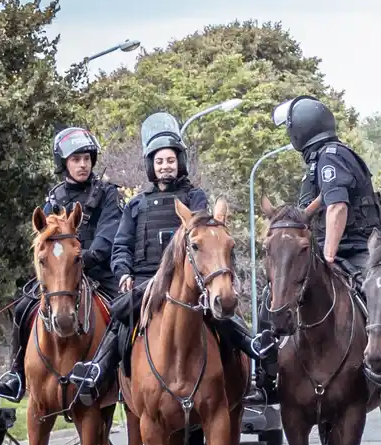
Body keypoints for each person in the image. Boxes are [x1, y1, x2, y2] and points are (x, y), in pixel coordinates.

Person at [68, 112, 276, 405]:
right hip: (146, 281)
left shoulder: (196, 197)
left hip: (191, 279)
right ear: (151, 166)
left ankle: (251, 349)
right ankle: (97, 369)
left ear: (179, 162)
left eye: (170, 160)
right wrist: (124, 273)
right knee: (121, 314)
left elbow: (209, 236)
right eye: (159, 161)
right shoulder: (136, 204)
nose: (165, 166)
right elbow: (121, 245)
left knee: (222, 312)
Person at [270, 95, 381, 406]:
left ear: (299, 130)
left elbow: (337, 207)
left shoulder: (331, 157)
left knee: (380, 297)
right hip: (335, 250)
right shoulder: (318, 160)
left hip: (357, 250)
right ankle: (268, 367)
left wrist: (327, 255)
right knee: (279, 290)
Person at [0, 128, 125, 402]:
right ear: (63, 162)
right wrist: (58, 266)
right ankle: (17, 374)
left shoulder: (108, 194)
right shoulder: (53, 199)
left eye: (87, 158)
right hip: (59, 277)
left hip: (99, 272)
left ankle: (126, 377)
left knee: (125, 311)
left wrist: (80, 259)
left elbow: (108, 234)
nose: (83, 164)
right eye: (76, 159)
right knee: (22, 307)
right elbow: (43, 240)